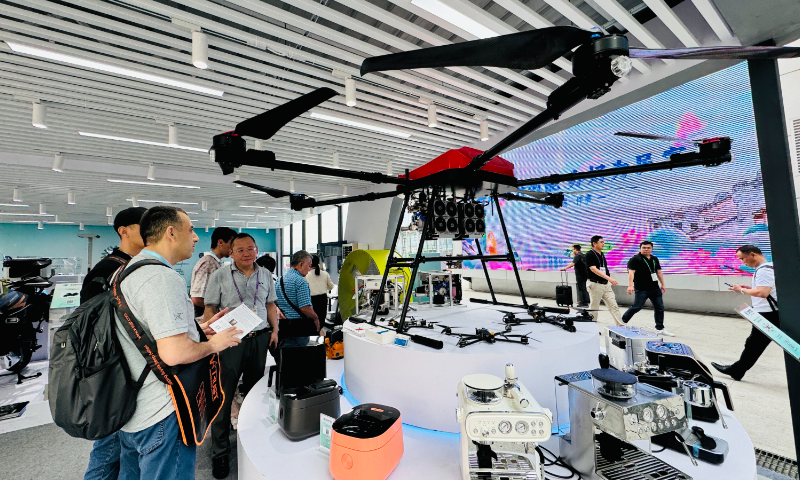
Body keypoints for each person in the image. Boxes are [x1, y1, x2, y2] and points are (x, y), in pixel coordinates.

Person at [92, 205, 241, 480]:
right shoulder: (162, 278)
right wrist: (214, 344)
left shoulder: (127, 271)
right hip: (162, 411)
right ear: (171, 233)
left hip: (134, 409)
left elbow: (145, 330)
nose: (196, 237)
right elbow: (173, 353)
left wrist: (197, 330)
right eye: (191, 230)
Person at [203, 233, 279, 479]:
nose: (247, 253)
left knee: (256, 394)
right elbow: (210, 308)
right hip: (231, 340)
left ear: (256, 250)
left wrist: (275, 330)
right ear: (231, 252)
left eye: (251, 248)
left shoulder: (265, 275)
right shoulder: (220, 275)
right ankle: (220, 453)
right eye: (241, 250)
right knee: (223, 396)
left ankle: (254, 443)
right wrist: (211, 337)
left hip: (259, 338)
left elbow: (270, 305)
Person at [81, 206, 146, 480]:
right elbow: (94, 326)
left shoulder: (132, 266)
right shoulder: (109, 269)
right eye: (144, 225)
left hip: (129, 370)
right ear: (124, 231)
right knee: (109, 449)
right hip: (113, 372)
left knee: (125, 450)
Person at [712, 245, 779, 381]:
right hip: (768, 312)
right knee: (753, 344)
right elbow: (766, 289)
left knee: (754, 345)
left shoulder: (764, 270)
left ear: (753, 254)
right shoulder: (767, 267)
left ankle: (737, 370)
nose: (743, 262)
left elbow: (763, 292)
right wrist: (749, 288)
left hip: (768, 314)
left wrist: (741, 290)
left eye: (743, 258)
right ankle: (737, 370)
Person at [80, 206, 147, 304]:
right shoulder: (105, 270)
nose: (152, 232)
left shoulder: (144, 264)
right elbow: (90, 310)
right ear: (123, 231)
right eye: (145, 226)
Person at [621, 241, 672, 335]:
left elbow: (658, 272)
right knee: (637, 307)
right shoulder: (635, 259)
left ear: (651, 249)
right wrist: (630, 285)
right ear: (640, 248)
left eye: (648, 248)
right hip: (641, 288)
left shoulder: (654, 259)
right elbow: (631, 273)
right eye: (644, 247)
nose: (646, 249)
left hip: (655, 288)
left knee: (659, 308)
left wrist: (663, 284)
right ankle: (622, 321)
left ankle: (660, 328)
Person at [190, 227, 236, 318]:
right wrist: (221, 308)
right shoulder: (208, 262)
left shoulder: (215, 262)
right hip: (202, 319)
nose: (233, 248)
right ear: (220, 242)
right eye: (232, 244)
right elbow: (196, 298)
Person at [275, 250, 321, 341]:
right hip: (298, 326)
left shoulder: (279, 280)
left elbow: (273, 302)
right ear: (300, 264)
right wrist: (316, 318)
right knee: (300, 349)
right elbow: (304, 308)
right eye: (309, 266)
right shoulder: (301, 282)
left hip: (282, 325)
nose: (309, 269)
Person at [586, 235, 623, 326]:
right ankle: (592, 327)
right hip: (595, 284)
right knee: (594, 307)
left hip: (605, 284)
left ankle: (621, 326)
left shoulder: (602, 254)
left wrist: (608, 279)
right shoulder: (590, 254)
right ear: (594, 243)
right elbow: (593, 269)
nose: (603, 244)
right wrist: (609, 278)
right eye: (601, 242)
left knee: (613, 305)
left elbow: (604, 268)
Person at [306, 255, 334, 325]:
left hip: (311, 300)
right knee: (321, 320)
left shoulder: (306, 275)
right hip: (322, 299)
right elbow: (331, 286)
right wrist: (323, 287)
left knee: (311, 322)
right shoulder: (325, 274)